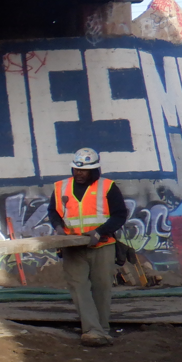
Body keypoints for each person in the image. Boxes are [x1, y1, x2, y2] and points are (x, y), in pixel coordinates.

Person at [47, 147, 128, 347]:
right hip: (72, 246)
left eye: (83, 170)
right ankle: (92, 331)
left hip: (102, 246)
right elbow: (53, 211)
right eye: (76, 169)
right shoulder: (60, 188)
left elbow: (119, 215)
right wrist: (58, 228)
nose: (78, 173)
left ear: (95, 170)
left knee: (101, 288)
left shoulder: (108, 187)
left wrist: (100, 232)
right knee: (79, 287)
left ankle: (102, 329)